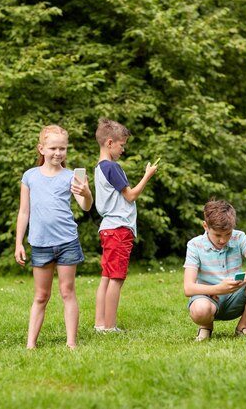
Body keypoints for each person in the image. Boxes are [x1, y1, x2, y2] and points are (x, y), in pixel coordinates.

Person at [15, 125, 93, 349]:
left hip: (67, 241)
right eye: (53, 148)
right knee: (41, 296)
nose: (58, 153)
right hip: (40, 243)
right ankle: (31, 344)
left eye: (62, 148)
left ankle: (71, 343)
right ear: (41, 148)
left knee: (68, 292)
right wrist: (19, 242)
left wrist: (86, 192)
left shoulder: (71, 177)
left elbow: (86, 206)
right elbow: (24, 212)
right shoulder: (30, 176)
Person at [93, 118, 158, 333]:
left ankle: (100, 323)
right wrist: (147, 176)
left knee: (106, 277)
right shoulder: (112, 167)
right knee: (116, 278)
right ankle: (110, 326)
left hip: (108, 228)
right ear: (109, 143)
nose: (123, 149)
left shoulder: (99, 168)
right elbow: (130, 196)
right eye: (122, 145)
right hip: (119, 229)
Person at [183, 199, 246, 341]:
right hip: (208, 298)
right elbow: (188, 288)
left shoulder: (239, 237)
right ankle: (206, 327)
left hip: (235, 295)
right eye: (218, 235)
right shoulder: (194, 245)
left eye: (227, 234)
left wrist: (238, 281)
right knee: (200, 310)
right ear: (205, 226)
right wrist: (219, 289)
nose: (223, 240)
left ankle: (243, 327)